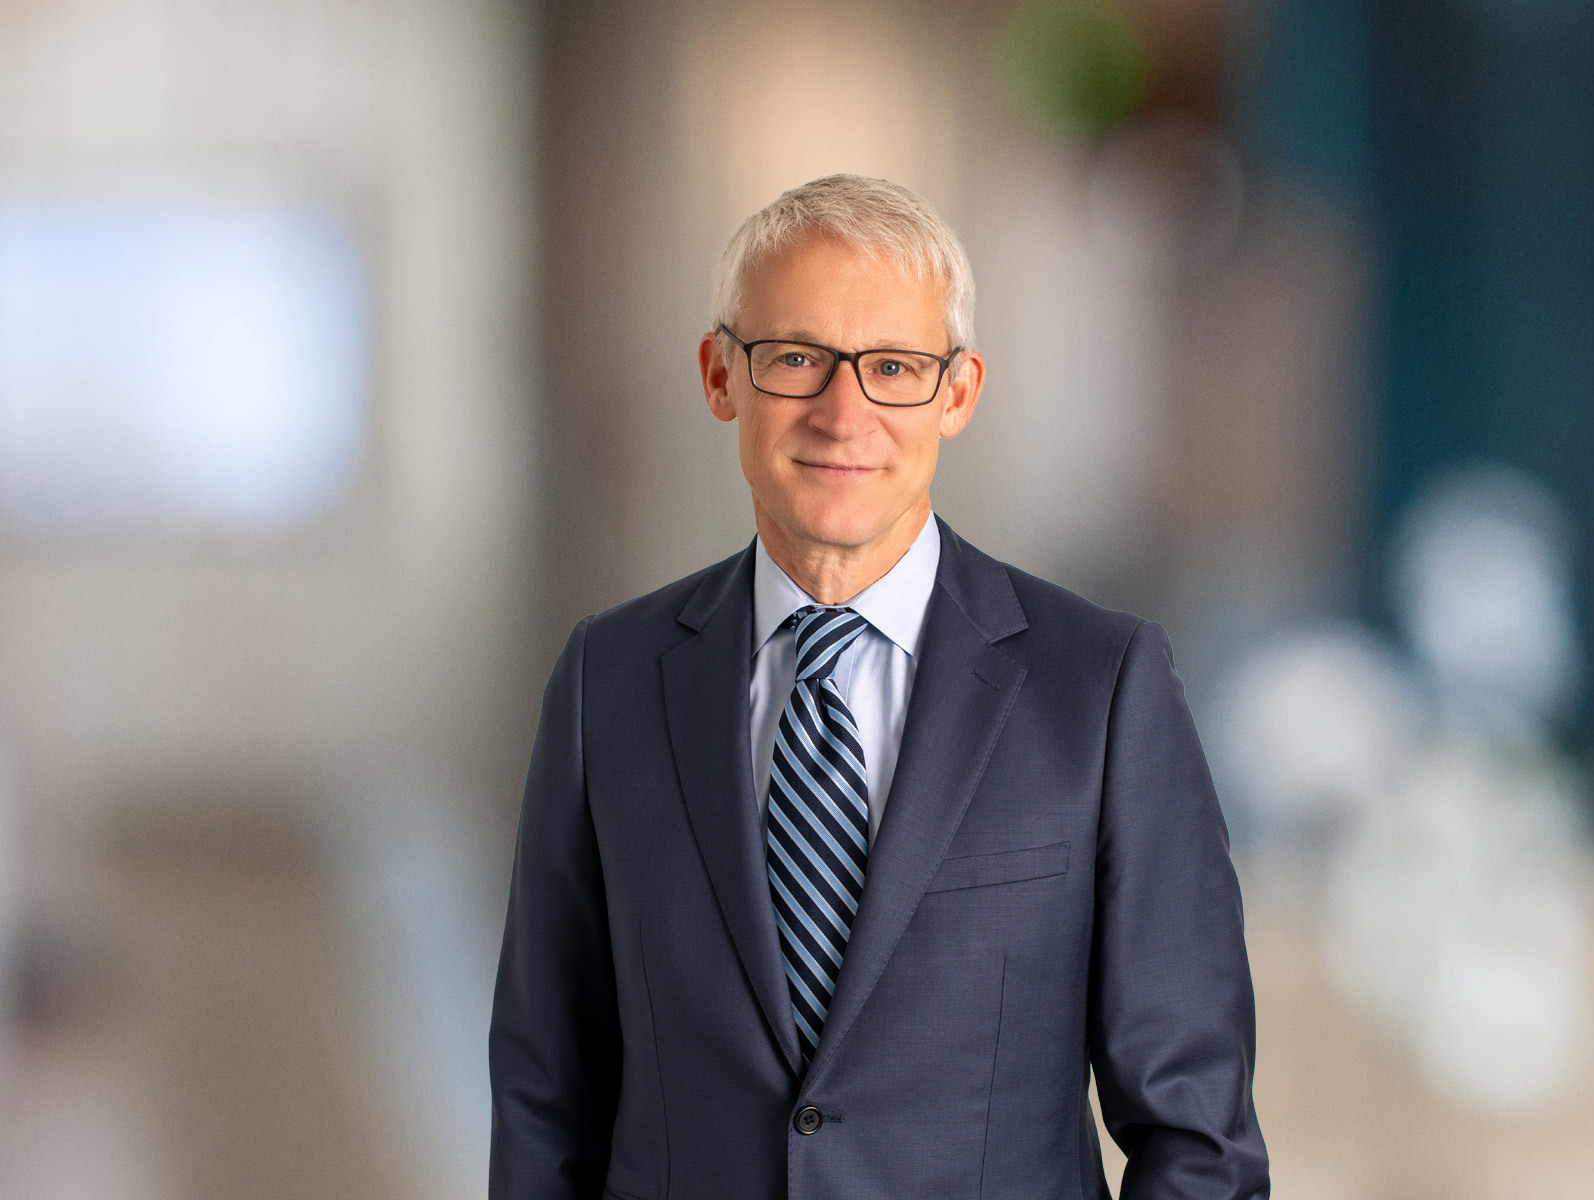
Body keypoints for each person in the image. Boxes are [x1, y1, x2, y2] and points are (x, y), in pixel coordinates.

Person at [489, 175, 1268, 1199]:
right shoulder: (610, 682)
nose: (843, 410)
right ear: (722, 375)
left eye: (894, 366)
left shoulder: (1102, 690)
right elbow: (548, 1095)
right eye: (797, 358)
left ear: (958, 393)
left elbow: (1197, 1139)